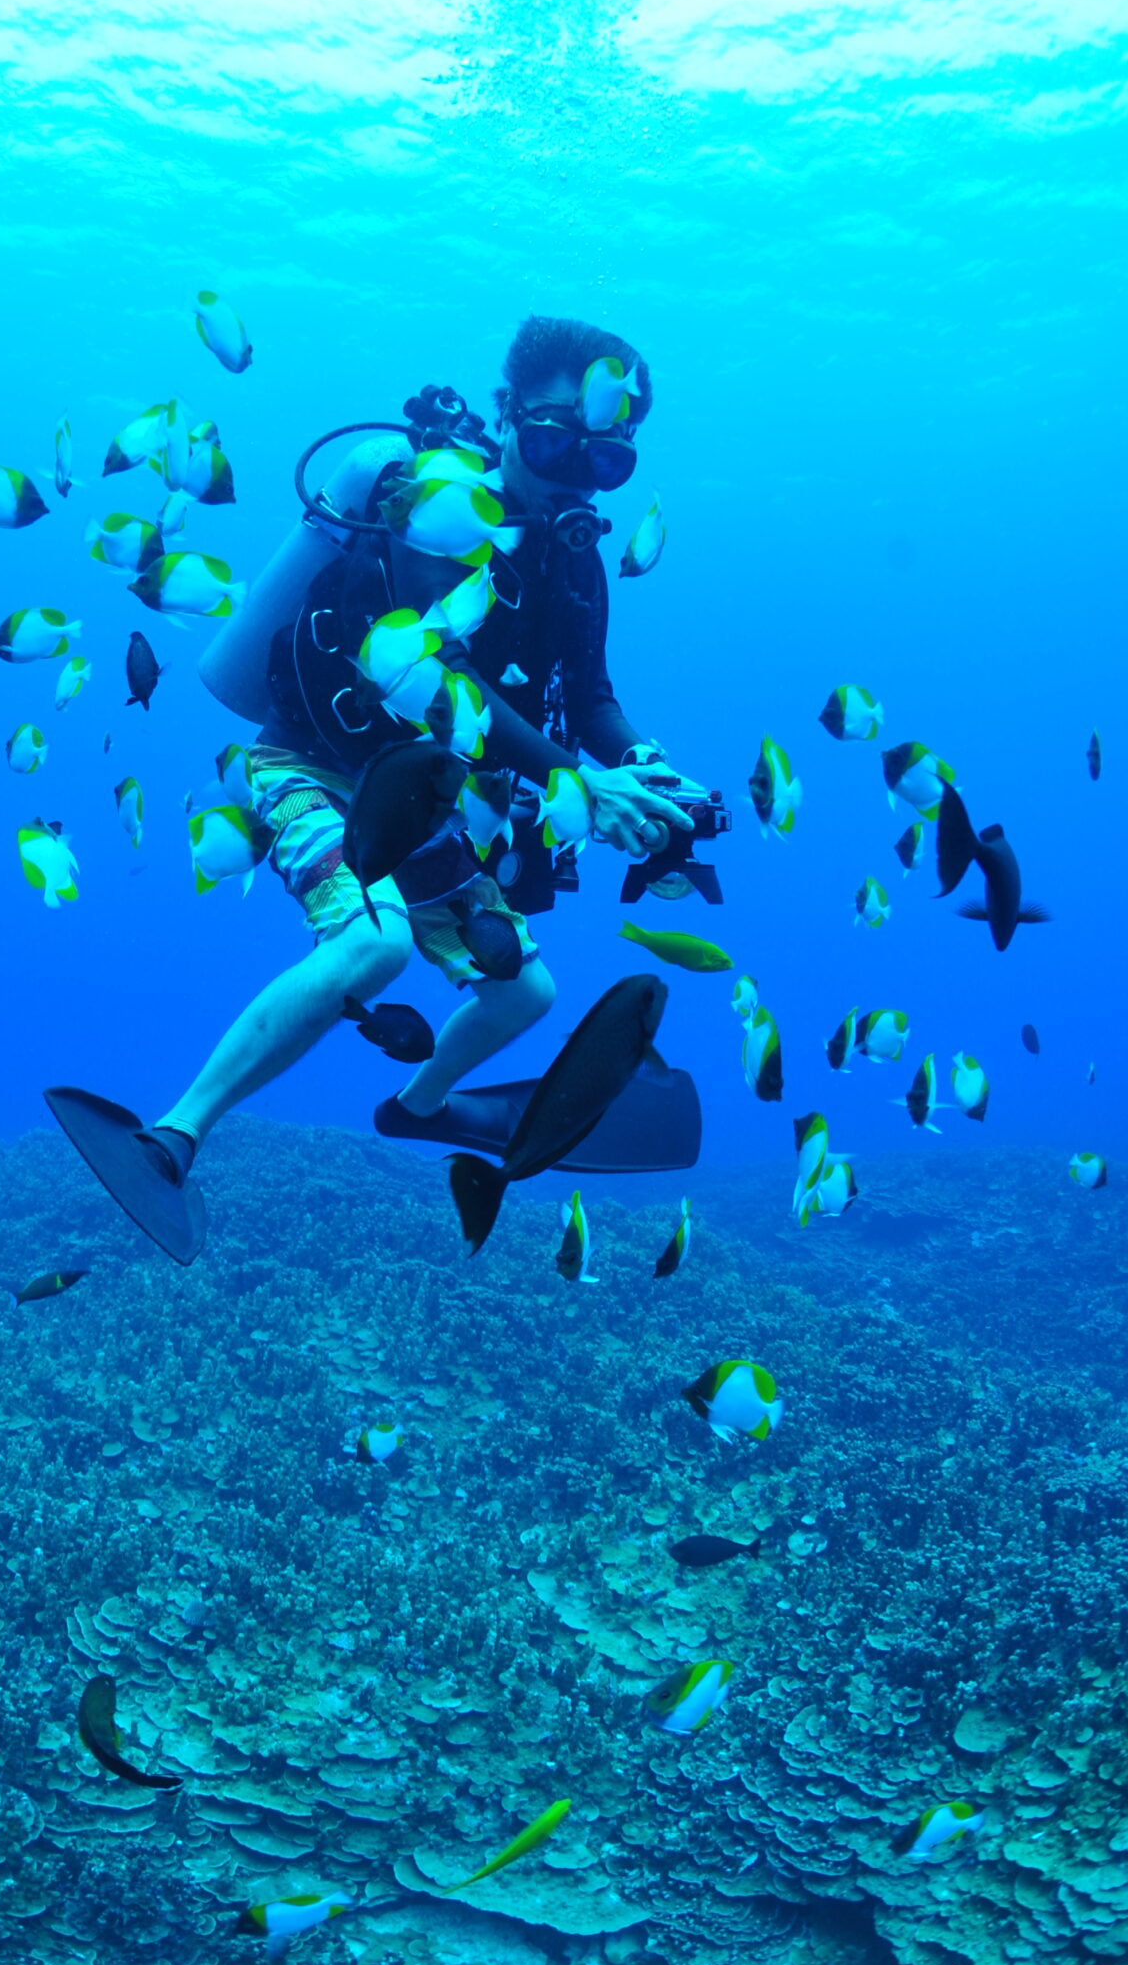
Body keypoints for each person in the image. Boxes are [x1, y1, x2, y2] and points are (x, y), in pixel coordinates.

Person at [46, 315, 708, 1260]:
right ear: (507, 418)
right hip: (313, 763)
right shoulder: (434, 509)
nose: (571, 475)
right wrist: (579, 783)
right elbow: (439, 678)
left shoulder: (574, 559)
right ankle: (172, 1137)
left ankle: (417, 1106)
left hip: (422, 800)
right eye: (552, 443)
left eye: (603, 460)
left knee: (525, 992)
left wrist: (644, 767)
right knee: (375, 943)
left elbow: (591, 698)